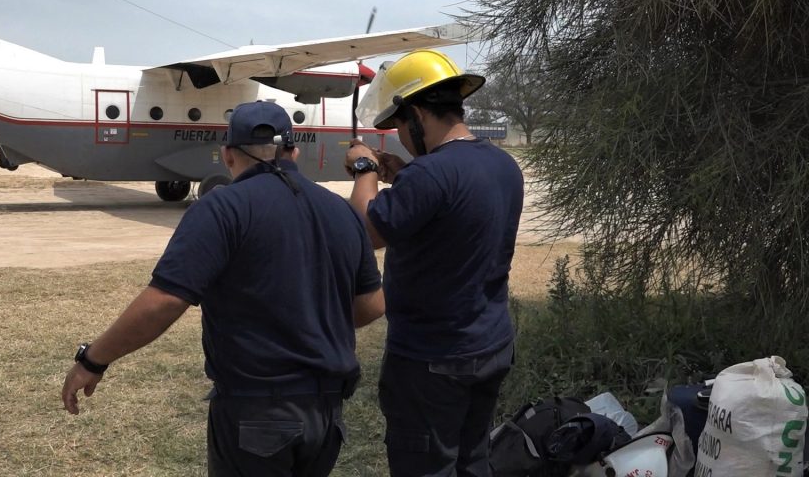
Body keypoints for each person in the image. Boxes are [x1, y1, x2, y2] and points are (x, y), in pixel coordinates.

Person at [62, 100, 385, 477]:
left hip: (257, 411)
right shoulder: (340, 211)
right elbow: (372, 305)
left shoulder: (222, 208)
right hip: (326, 414)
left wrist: (93, 358)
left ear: (228, 155)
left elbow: (165, 300)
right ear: (293, 152)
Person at [344, 49, 524, 477]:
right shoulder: (502, 164)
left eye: (400, 126)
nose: (400, 137)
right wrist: (403, 173)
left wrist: (365, 168)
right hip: (490, 345)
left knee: (426, 466)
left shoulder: (428, 177)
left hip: (432, 359)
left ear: (418, 115)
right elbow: (450, 201)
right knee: (472, 460)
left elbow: (366, 231)